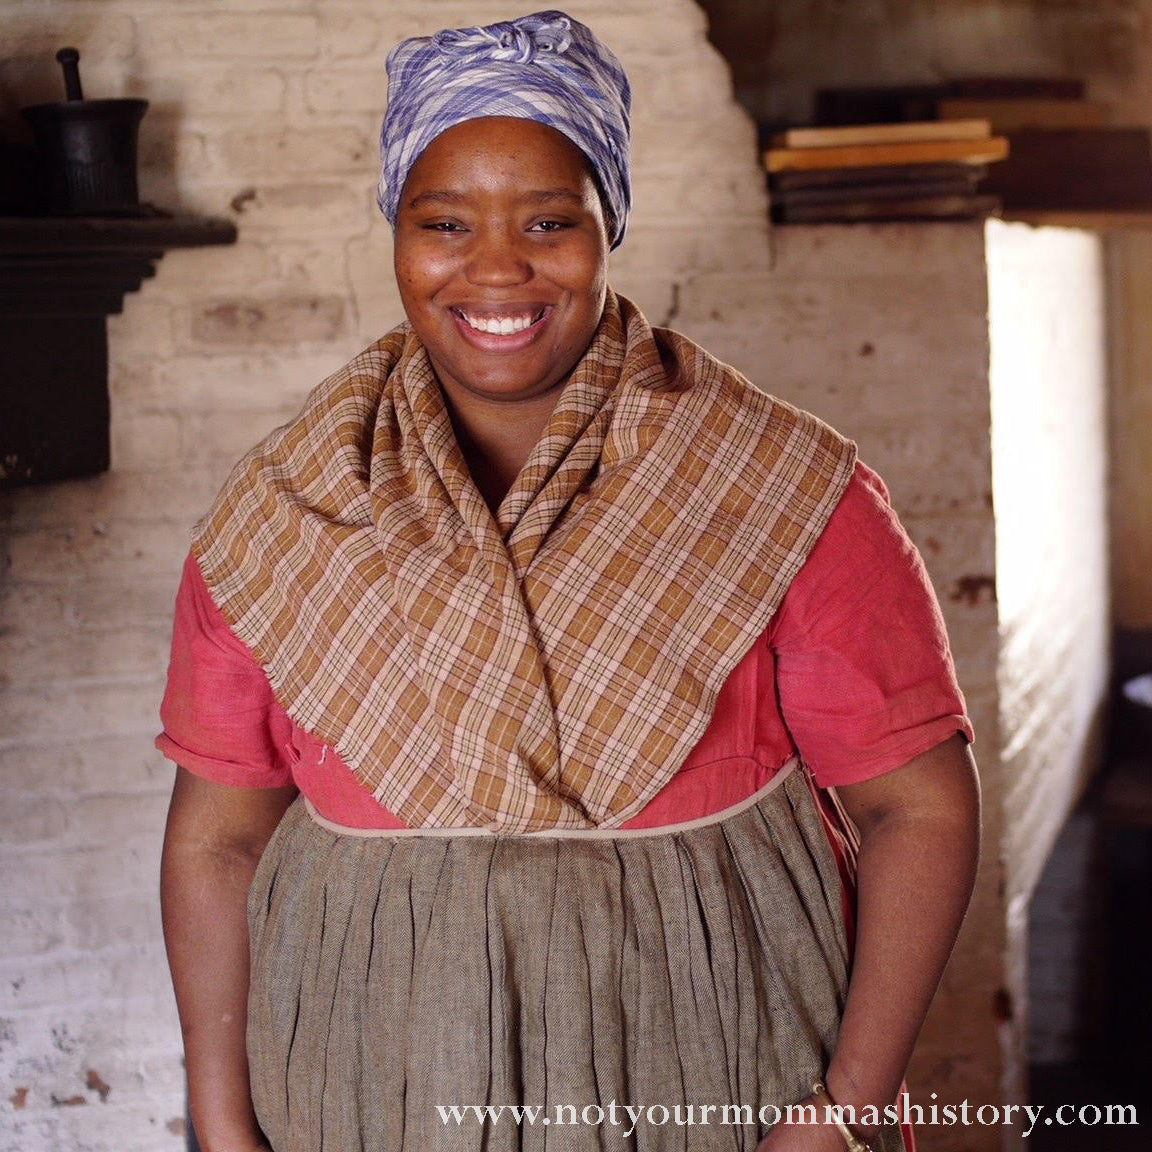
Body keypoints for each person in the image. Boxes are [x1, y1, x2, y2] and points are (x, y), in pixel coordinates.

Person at [158, 11, 980, 1152]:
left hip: (715, 1070)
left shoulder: (779, 490)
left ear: (610, 225)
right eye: (443, 222)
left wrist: (844, 1112)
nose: (497, 267)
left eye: (551, 220)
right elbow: (218, 842)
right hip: (366, 1084)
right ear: (395, 231)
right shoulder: (286, 511)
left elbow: (919, 809)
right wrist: (216, 1117)